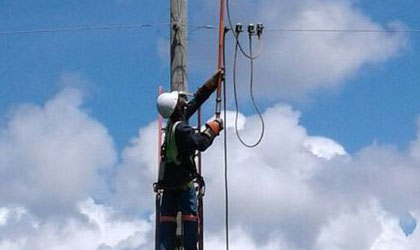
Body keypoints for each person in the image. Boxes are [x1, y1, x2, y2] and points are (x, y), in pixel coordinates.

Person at [156, 71, 223, 250]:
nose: (184, 103)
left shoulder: (173, 125)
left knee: (166, 223)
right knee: (190, 220)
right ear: (177, 108)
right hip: (183, 185)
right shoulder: (181, 130)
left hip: (169, 185)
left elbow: (195, 102)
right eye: (180, 102)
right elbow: (200, 143)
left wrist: (211, 84)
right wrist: (212, 129)